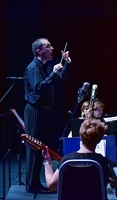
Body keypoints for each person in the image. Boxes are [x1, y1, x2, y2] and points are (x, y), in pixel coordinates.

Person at [24, 38, 71, 193]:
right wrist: (54, 72)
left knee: (41, 147)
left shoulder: (45, 67)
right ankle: (32, 185)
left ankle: (35, 182)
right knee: (34, 147)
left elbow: (59, 80)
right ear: (39, 51)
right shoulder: (33, 68)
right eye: (48, 46)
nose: (52, 48)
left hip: (44, 111)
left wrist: (66, 64)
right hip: (35, 111)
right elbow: (39, 87)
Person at [42, 119, 113, 195]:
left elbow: (52, 186)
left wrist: (47, 162)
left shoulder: (67, 160)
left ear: (80, 136)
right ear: (99, 140)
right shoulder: (103, 161)